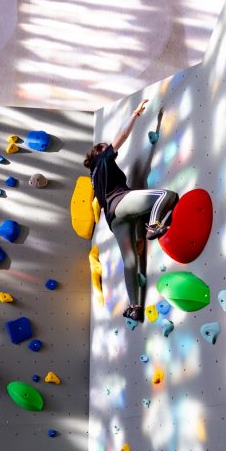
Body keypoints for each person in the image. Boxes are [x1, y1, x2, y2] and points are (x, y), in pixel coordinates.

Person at [83, 99, 178, 322]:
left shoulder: (93, 177)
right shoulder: (101, 158)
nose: (110, 150)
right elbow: (122, 138)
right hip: (122, 203)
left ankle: (135, 307)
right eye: (106, 149)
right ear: (100, 151)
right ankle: (153, 225)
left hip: (114, 220)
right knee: (166, 196)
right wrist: (135, 114)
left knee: (130, 262)